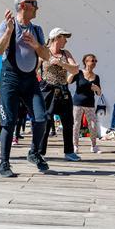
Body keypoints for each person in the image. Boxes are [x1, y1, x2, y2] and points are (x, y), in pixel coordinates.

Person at [0, 0, 53, 177]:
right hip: (10, 78)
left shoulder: (37, 30)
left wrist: (36, 45)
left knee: (42, 117)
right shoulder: (7, 24)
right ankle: (4, 163)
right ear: (23, 5)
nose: (37, 7)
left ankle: (34, 152)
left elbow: (46, 56)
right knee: (8, 121)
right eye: (34, 3)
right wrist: (10, 31)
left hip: (30, 80)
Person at [38, 28, 81, 161]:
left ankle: (69, 151)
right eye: (64, 37)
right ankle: (39, 152)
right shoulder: (44, 52)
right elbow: (34, 70)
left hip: (63, 90)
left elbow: (75, 69)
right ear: (56, 38)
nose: (66, 40)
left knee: (68, 122)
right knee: (45, 121)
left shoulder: (65, 53)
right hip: (47, 90)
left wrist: (62, 63)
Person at [71, 53, 103, 154]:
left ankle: (93, 146)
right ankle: (75, 146)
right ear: (86, 62)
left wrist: (97, 88)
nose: (94, 63)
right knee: (76, 124)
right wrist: (72, 72)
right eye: (92, 61)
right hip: (78, 103)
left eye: (95, 61)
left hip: (90, 104)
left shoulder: (96, 77)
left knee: (93, 125)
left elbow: (99, 93)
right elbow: (68, 81)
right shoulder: (79, 73)